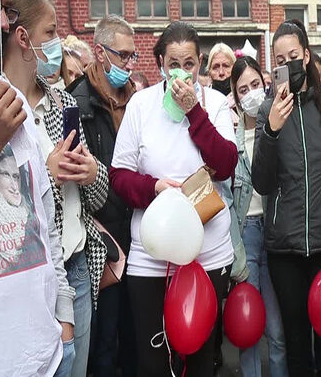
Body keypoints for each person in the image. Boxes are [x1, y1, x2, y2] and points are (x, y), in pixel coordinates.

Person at [110, 21, 237, 376]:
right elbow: (119, 176)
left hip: (207, 254)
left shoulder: (214, 103)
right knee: (153, 359)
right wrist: (153, 189)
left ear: (200, 63)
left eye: (190, 64)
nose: (183, 72)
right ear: (161, 64)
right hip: (150, 256)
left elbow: (226, 163)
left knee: (199, 355)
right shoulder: (141, 104)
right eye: (174, 64)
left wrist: (195, 111)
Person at [0, 0, 75, 374]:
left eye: (6, 10)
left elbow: (42, 217)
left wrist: (63, 315)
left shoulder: (5, 91)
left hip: (47, 352)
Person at [3, 0, 110, 376]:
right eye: (50, 33)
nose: (58, 45)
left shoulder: (64, 102)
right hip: (29, 279)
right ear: (23, 37)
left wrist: (93, 172)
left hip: (77, 267)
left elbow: (96, 198)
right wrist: (41, 174)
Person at [252, 21, 321, 377]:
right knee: (297, 346)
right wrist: (271, 131)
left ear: (307, 56)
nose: (288, 64)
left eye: (294, 56)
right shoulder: (268, 111)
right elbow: (261, 183)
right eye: (280, 59)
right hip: (286, 251)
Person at [67, 14, 138, 377]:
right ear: (99, 52)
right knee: (104, 343)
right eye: (122, 55)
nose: (128, 64)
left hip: (139, 236)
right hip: (103, 242)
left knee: (138, 338)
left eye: (132, 56)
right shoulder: (76, 103)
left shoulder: (138, 101)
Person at [230, 56, 288, 377]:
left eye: (255, 85)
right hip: (245, 234)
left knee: (277, 329)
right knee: (248, 324)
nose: (251, 93)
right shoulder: (231, 137)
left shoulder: (274, 129)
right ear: (235, 96)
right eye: (243, 89)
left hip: (276, 229)